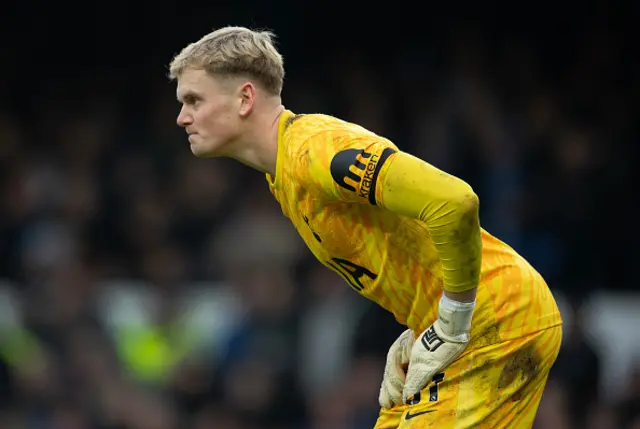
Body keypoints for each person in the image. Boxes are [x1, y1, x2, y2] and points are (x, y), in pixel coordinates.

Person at [168, 26, 563, 428]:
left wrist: (453, 319)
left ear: (245, 98)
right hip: (478, 321)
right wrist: (422, 329)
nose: (182, 117)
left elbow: (454, 201)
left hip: (495, 320)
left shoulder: (315, 153)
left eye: (193, 100)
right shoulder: (283, 173)